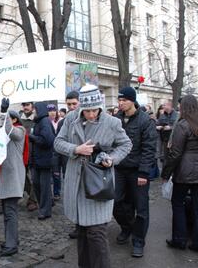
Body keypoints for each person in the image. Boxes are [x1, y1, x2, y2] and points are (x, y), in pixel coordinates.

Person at [54, 85, 132, 268]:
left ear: (101, 107)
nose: (91, 115)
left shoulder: (112, 123)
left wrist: (111, 159)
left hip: (98, 183)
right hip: (76, 183)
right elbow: (58, 142)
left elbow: (125, 145)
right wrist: (75, 149)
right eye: (87, 110)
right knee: (82, 231)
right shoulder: (71, 118)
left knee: (97, 233)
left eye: (94, 110)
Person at [161, 95, 198, 254]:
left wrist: (166, 173)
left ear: (183, 108)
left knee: (178, 204)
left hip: (185, 171)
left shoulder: (182, 125)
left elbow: (175, 153)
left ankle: (179, 239)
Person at [113, 87, 157, 258]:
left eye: (124, 100)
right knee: (115, 202)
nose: (121, 103)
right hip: (118, 169)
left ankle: (138, 241)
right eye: (119, 100)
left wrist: (144, 173)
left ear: (132, 100)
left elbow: (149, 148)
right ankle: (126, 227)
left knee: (141, 208)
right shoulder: (116, 119)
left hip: (138, 170)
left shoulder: (145, 120)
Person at [0, 107, 26, 257]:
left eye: (7, 118)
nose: (4, 120)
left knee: (10, 212)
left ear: (15, 120)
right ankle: (12, 240)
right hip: (4, 177)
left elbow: (8, 129)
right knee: (7, 212)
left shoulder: (20, 130)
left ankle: (11, 245)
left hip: (13, 177)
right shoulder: (4, 132)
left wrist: (3, 113)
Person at [56, 91, 80, 238]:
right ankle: (78, 224)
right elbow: (59, 142)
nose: (71, 107)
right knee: (73, 194)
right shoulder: (65, 121)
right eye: (69, 104)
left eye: (74, 104)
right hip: (69, 161)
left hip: (87, 164)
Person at [30, 102, 56, 220]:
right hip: (37, 160)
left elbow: (47, 141)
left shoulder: (44, 121)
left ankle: (45, 211)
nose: (33, 112)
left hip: (44, 160)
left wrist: (32, 138)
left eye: (34, 110)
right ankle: (45, 206)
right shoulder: (39, 122)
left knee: (44, 186)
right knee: (36, 184)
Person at [20, 102, 38, 211]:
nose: (25, 107)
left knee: (34, 178)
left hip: (34, 152)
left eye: (27, 105)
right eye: (24, 105)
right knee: (22, 176)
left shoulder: (37, 119)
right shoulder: (19, 118)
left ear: (32, 106)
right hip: (21, 152)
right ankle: (32, 192)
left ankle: (33, 200)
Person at [156, 100, 178, 168]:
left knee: (173, 156)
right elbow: (157, 124)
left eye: (164, 105)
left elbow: (179, 126)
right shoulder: (162, 115)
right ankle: (165, 174)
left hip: (174, 140)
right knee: (165, 157)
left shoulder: (177, 115)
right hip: (164, 140)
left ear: (169, 106)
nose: (163, 106)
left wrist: (170, 127)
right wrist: (158, 127)